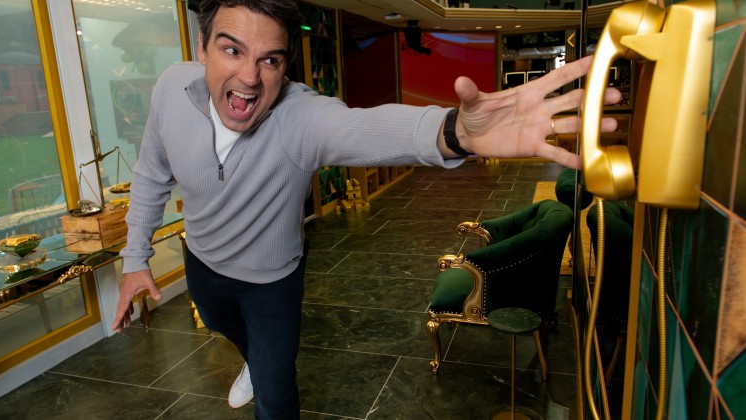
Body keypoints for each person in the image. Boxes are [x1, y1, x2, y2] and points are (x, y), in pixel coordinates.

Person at [111, 0, 621, 418]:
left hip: (271, 282)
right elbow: (152, 171)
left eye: (270, 60)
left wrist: (455, 133)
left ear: (285, 68)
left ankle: (263, 367)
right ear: (202, 47)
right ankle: (254, 359)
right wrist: (136, 257)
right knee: (224, 326)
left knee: (276, 395)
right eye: (232, 50)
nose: (249, 76)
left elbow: (363, 129)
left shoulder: (298, 117)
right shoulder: (170, 91)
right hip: (203, 263)